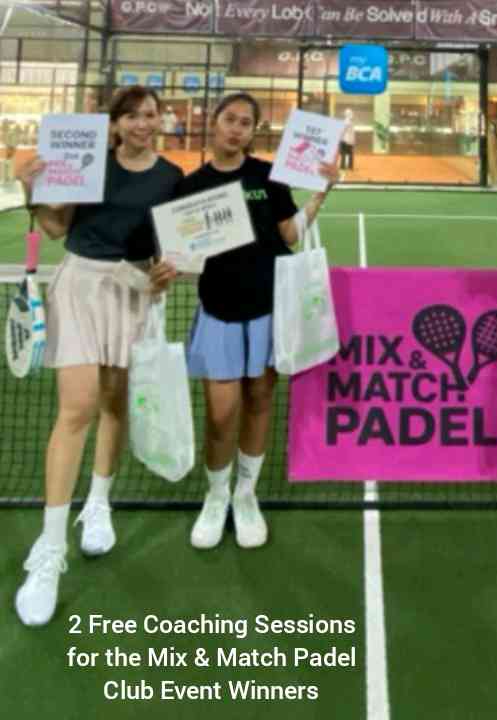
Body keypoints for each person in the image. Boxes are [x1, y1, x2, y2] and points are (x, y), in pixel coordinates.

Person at [14, 86, 183, 627]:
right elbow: (56, 228)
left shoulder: (171, 177)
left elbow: (171, 249)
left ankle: (99, 504)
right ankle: (49, 551)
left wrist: (168, 269)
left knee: (114, 404)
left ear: (160, 120)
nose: (141, 124)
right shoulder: (87, 162)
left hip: (133, 292)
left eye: (150, 115)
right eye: (131, 116)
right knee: (76, 410)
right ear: (115, 124)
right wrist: (31, 188)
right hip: (79, 287)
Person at [151, 92, 339, 551]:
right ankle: (216, 496)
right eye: (229, 119)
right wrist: (164, 268)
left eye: (245, 123)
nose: (236, 129)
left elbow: (288, 233)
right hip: (219, 308)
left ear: (253, 131)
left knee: (258, 401)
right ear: (214, 122)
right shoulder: (191, 186)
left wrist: (321, 193)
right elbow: (176, 253)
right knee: (221, 415)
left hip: (268, 308)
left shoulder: (267, 177)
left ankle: (245, 494)